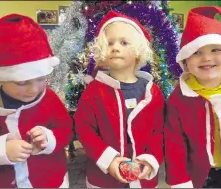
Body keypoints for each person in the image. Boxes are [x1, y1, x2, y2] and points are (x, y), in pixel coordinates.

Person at [74, 10, 165, 188]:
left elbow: (159, 132)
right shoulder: (94, 91)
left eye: (124, 42)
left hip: (142, 178)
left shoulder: (152, 92)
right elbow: (84, 129)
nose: (115, 47)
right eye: (109, 43)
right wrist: (109, 160)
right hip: (103, 179)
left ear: (138, 51)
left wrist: (150, 159)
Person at [0, 14, 73, 188]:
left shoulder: (49, 99)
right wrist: (0, 151)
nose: (34, 89)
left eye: (41, 79)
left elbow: (65, 129)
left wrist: (49, 139)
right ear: (0, 78)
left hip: (50, 181)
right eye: (22, 82)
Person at [164, 6, 221, 188]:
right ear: (185, 60)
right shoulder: (178, 99)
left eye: (215, 50)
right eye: (196, 52)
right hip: (200, 176)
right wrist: (180, 180)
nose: (206, 58)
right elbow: (175, 145)